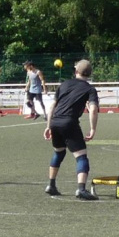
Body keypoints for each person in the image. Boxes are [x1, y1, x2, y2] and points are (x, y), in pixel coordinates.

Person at [44, 60, 101, 200]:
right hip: (69, 122)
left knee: (59, 152)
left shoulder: (64, 84)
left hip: (55, 121)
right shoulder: (90, 89)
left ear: (76, 71)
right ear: (89, 74)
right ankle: (81, 189)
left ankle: (51, 185)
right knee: (81, 156)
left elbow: (52, 106)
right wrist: (93, 128)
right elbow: (93, 109)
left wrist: (48, 125)